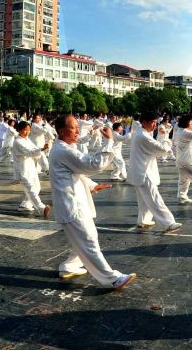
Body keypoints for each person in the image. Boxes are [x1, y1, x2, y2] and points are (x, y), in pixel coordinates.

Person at [49, 114, 135, 290]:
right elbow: (92, 164)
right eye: (74, 127)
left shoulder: (65, 148)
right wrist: (109, 142)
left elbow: (74, 173)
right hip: (71, 204)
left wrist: (92, 186)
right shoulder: (63, 150)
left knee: (86, 238)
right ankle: (112, 278)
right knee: (88, 240)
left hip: (76, 200)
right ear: (61, 131)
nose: (78, 130)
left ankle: (70, 266)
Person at [128, 112, 182, 232]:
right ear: (144, 122)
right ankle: (168, 223)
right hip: (144, 171)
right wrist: (167, 141)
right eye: (153, 122)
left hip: (140, 170)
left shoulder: (140, 133)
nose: (155, 125)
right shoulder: (143, 136)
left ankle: (143, 220)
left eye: (156, 122)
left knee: (144, 199)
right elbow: (162, 149)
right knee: (154, 198)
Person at [13, 121, 50, 216]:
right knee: (30, 188)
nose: (27, 132)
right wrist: (41, 149)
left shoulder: (27, 140)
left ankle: (24, 205)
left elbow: (34, 150)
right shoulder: (18, 141)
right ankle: (42, 208)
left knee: (37, 187)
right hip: (22, 169)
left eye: (28, 130)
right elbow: (28, 151)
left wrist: (46, 167)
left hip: (31, 168)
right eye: (25, 130)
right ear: (19, 130)